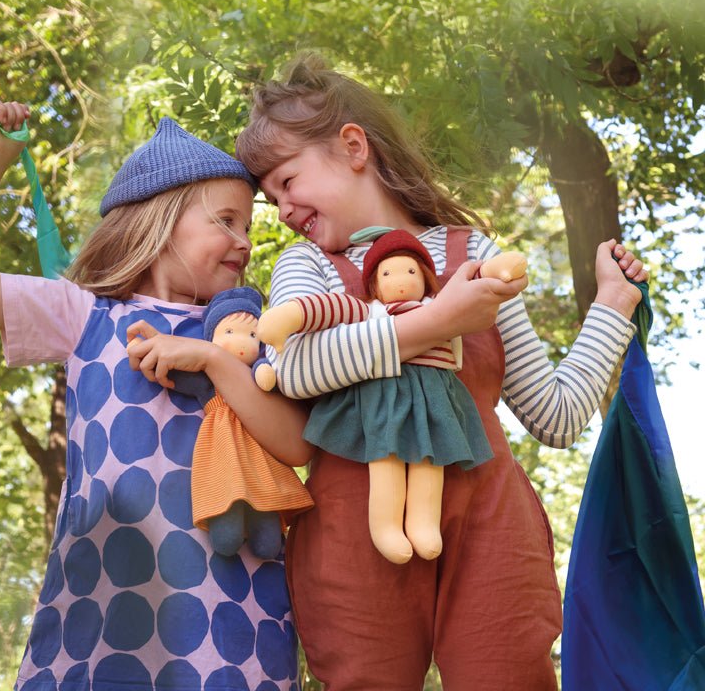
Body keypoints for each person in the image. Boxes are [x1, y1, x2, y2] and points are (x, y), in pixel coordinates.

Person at [234, 54, 648, 691]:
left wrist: (613, 306)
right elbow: (293, 369)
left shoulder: (473, 254)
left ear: (352, 147)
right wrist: (432, 323)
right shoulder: (305, 268)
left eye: (287, 181)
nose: (282, 209)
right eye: (269, 199)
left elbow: (557, 416)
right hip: (353, 533)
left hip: (491, 526)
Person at [0, 101, 312, 691]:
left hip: (233, 617)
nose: (245, 243)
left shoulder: (251, 337)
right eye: (226, 221)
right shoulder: (85, 316)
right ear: (160, 219)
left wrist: (210, 359)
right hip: (100, 612)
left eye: (249, 228)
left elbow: (295, 445)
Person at [258, 227, 497, 564]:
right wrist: (288, 317)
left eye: (410, 271)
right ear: (374, 283)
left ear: (426, 277)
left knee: (431, 461)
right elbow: (328, 308)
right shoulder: (372, 311)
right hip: (386, 404)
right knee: (386, 459)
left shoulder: (448, 290)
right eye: (387, 273)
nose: (400, 280)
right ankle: (385, 527)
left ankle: (424, 525)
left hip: (435, 403)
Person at [133, 286, 313, 560]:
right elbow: (177, 375)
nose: (242, 343)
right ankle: (228, 526)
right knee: (224, 508)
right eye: (229, 332)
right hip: (222, 449)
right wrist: (149, 352)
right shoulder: (206, 382)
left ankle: (265, 530)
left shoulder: (260, 374)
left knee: (266, 529)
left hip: (260, 457)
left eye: (252, 335)